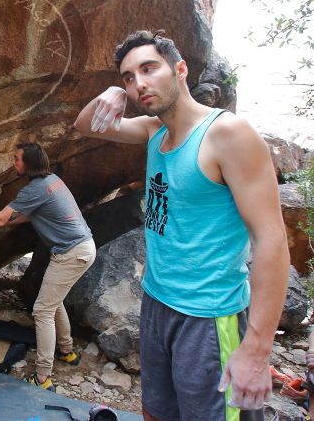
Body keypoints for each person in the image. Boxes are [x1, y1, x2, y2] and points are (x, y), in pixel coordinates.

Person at [73, 30, 289, 420]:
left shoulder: (227, 135)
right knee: (157, 412)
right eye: (128, 76)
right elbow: (87, 126)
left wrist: (257, 351)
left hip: (209, 316)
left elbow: (270, 238)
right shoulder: (155, 132)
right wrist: (111, 94)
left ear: (180, 69)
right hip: (157, 303)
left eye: (148, 68)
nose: (139, 83)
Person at [0, 142, 95, 391]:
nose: (14, 162)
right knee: (53, 302)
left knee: (42, 310)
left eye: (17, 159)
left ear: (29, 163)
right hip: (82, 248)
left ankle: (43, 377)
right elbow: (26, 216)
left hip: (71, 253)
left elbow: (3, 216)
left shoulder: (35, 188)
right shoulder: (51, 180)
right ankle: (66, 351)